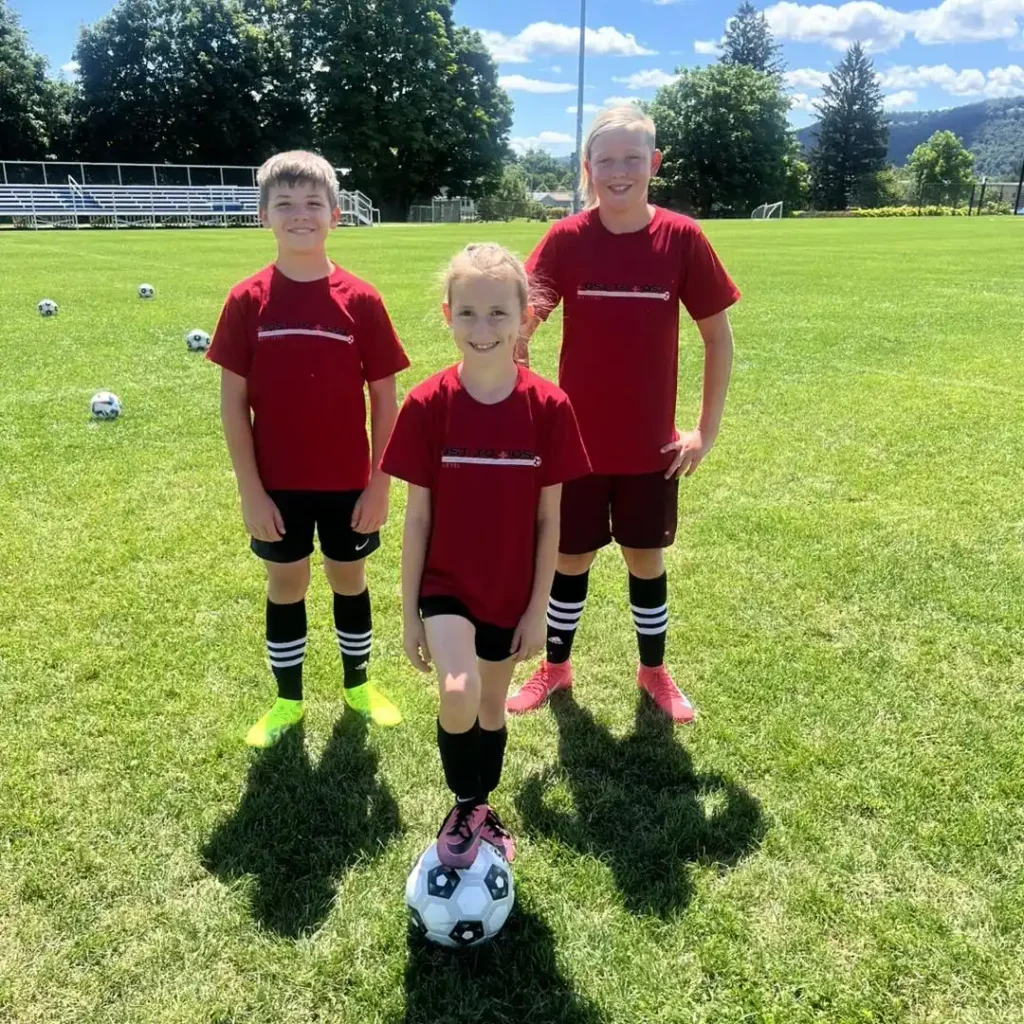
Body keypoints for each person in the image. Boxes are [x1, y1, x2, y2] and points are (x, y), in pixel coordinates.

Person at [507, 106, 740, 724]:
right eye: (605, 160)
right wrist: (527, 391)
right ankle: (555, 667)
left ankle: (654, 671)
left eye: (632, 158)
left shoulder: (682, 239)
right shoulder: (566, 239)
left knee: (645, 559)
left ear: (653, 164)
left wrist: (704, 430)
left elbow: (717, 338)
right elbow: (520, 325)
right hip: (577, 449)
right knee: (569, 560)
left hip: (649, 448)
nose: (619, 171)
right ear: (587, 167)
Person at [382, 243, 590, 868]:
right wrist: (409, 613)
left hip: (510, 590)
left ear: (525, 317)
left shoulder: (549, 407)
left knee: (492, 707)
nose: (483, 327)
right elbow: (418, 518)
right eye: (468, 312)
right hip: (446, 585)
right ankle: (463, 804)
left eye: (498, 313)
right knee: (458, 689)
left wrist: (538, 610)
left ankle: (478, 807)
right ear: (448, 315)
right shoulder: (428, 404)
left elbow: (550, 521)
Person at [207, 151, 409, 748]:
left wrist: (380, 483)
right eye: (285, 204)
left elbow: (385, 399)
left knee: (349, 577)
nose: (301, 215)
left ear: (336, 214)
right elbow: (232, 404)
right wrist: (250, 491)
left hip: (348, 480)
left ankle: (359, 685)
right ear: (264, 214)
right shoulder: (246, 300)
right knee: (286, 582)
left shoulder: (361, 299)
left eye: (313, 203)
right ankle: (287, 699)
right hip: (276, 485)